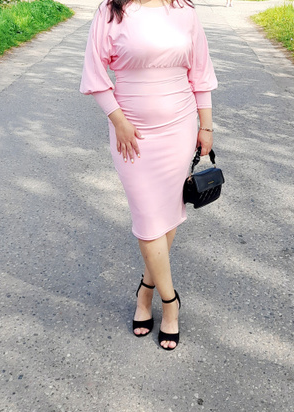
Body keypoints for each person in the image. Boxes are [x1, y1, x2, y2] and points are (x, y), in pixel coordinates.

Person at [80, 0, 217, 350]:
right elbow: (95, 74)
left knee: (166, 215)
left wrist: (206, 126)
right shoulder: (112, 11)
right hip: (131, 133)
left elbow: (200, 72)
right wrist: (119, 121)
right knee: (147, 217)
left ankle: (146, 290)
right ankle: (170, 302)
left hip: (180, 127)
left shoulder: (184, 11)